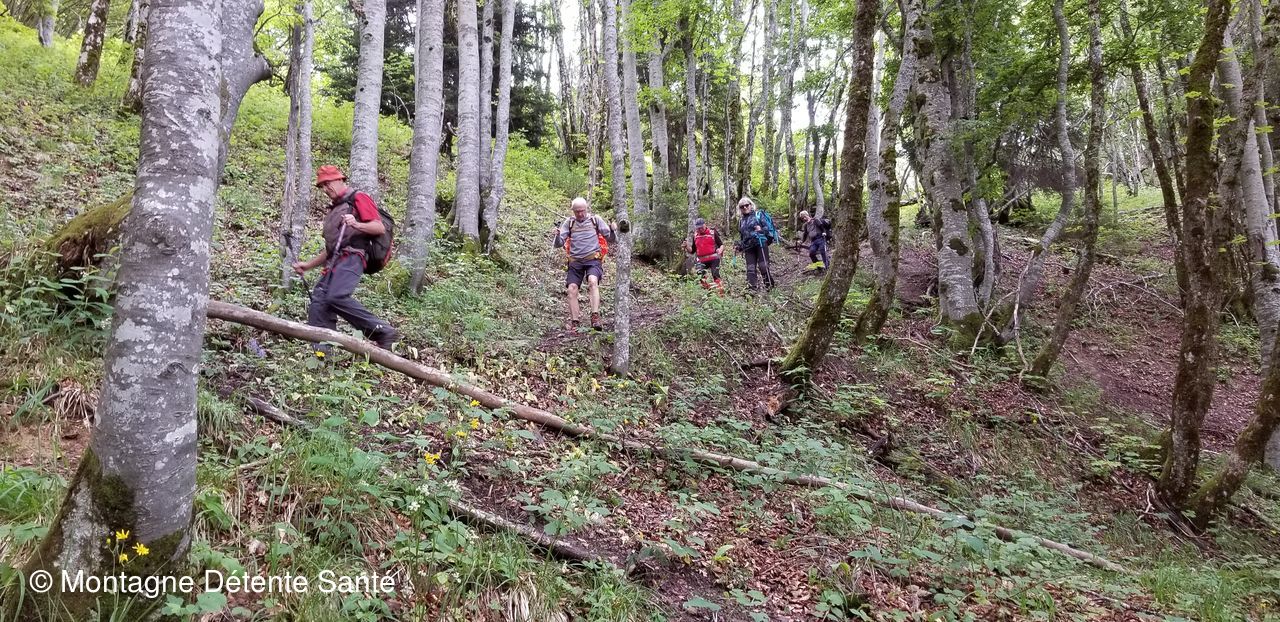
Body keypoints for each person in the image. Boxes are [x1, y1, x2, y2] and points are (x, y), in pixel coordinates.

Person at [292, 165, 399, 353]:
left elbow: (379, 227)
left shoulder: (358, 198)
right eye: (322, 186)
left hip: (353, 257)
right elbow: (331, 249)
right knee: (319, 302)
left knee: (336, 296)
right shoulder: (334, 210)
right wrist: (307, 265)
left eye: (328, 183)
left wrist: (356, 224)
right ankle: (322, 354)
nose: (326, 189)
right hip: (335, 261)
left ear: (340, 179)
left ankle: (383, 332)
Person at [551, 197, 617, 331]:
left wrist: (612, 230)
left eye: (582, 211)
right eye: (577, 212)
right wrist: (557, 235)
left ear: (586, 209)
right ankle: (575, 323)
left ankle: (595, 317)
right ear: (573, 211)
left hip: (593, 259)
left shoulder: (595, 220)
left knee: (592, 281)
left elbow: (611, 239)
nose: (580, 214)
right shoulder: (569, 223)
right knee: (571, 289)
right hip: (575, 261)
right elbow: (558, 244)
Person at [735, 197, 776, 292]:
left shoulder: (758, 215)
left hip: (760, 243)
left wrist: (760, 229)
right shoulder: (741, 221)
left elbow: (766, 229)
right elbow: (743, 237)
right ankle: (752, 290)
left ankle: (770, 287)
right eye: (742, 206)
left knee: (763, 266)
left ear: (751, 205)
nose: (745, 207)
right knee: (750, 269)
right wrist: (739, 246)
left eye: (746, 205)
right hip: (748, 247)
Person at [687, 217, 725, 296]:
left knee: (715, 273)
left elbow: (721, 244)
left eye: (701, 227)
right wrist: (686, 246)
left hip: (714, 258)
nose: (700, 229)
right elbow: (692, 250)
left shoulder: (712, 233)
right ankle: (708, 292)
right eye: (698, 228)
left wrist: (720, 250)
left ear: (705, 225)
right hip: (701, 260)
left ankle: (720, 293)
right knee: (700, 274)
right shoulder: (695, 235)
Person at [799, 210, 832, 275]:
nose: (804, 219)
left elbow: (821, 226)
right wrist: (802, 241)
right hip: (813, 241)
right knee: (811, 253)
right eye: (802, 218)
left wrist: (824, 232)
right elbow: (805, 234)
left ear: (807, 215)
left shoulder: (815, 220)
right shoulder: (806, 225)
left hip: (820, 238)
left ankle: (827, 268)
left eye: (804, 217)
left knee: (823, 251)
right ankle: (819, 268)